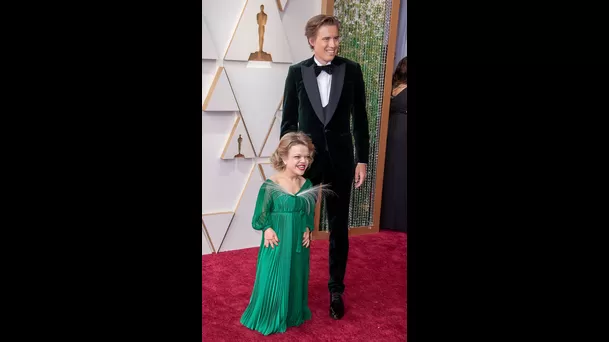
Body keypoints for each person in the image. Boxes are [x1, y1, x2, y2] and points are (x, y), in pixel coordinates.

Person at [280, 14, 370, 320]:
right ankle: (290, 284)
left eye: (336, 38)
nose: (333, 44)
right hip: (306, 163)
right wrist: (288, 165)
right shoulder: (296, 73)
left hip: (342, 162)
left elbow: (360, 119)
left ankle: (336, 289)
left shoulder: (352, 70)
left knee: (338, 227)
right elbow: (288, 122)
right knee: (294, 223)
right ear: (311, 41)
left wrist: (362, 160)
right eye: (326, 39)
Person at [240, 132, 321, 336]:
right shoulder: (271, 185)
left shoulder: (308, 184)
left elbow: (308, 212)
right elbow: (260, 215)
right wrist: (266, 228)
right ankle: (269, 314)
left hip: (298, 241)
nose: (303, 161)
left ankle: (293, 312)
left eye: (307, 157)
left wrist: (308, 229)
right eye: (297, 157)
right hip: (276, 238)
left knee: (296, 273)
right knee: (272, 274)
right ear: (284, 157)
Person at [380, 56, 407, 233]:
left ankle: (393, 219)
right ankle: (391, 218)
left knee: (397, 174)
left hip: (398, 133)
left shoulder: (395, 87)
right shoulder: (393, 86)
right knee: (393, 174)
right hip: (394, 132)